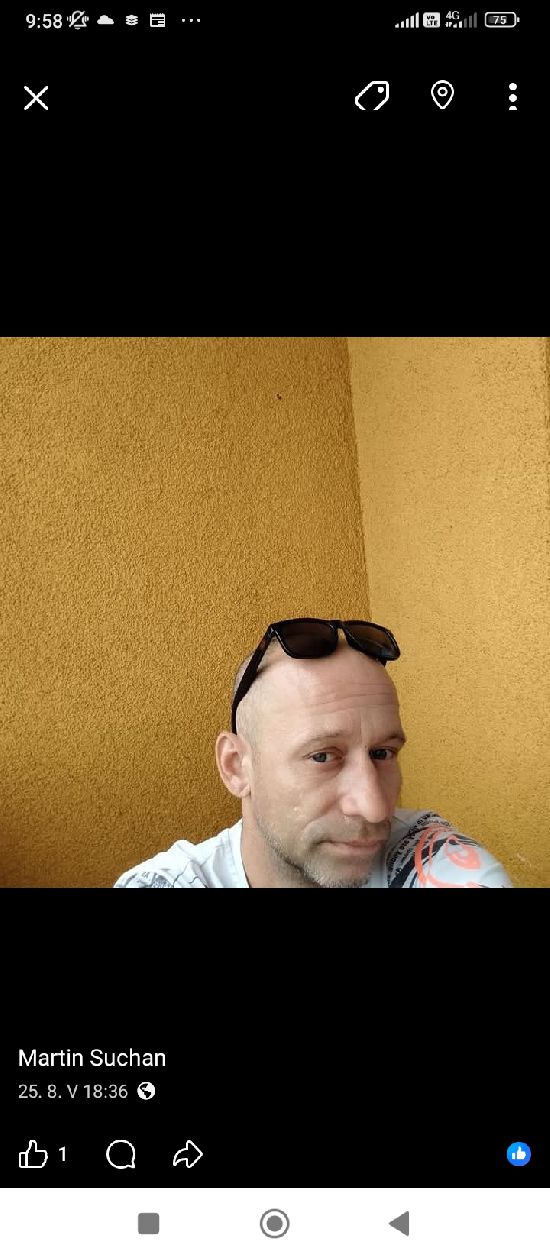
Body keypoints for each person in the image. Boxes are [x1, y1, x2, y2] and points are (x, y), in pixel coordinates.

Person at [114, 618, 514, 889]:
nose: (375, 807)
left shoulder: (428, 862)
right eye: (322, 757)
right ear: (236, 767)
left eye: (382, 753)